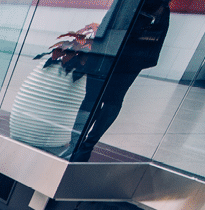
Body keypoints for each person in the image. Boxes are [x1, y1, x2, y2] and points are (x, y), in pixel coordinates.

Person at [67, 0, 170, 161]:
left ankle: (86, 148)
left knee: (113, 98)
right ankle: (74, 146)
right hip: (113, 27)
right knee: (92, 95)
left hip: (139, 36)